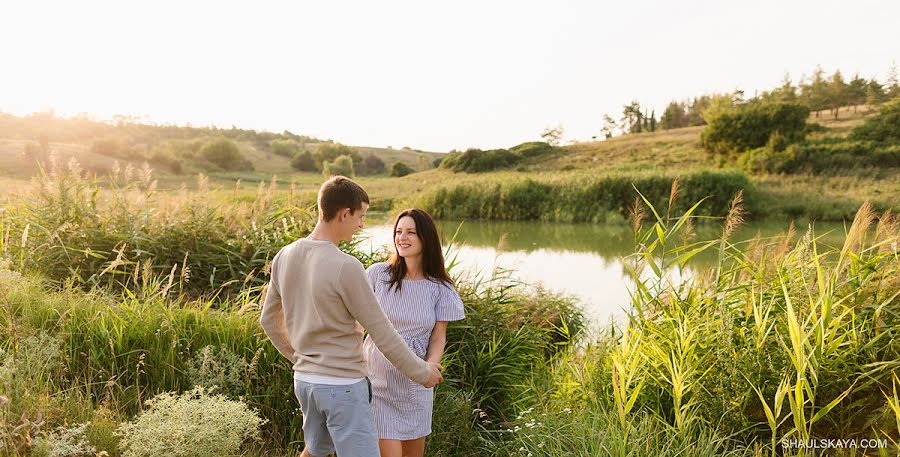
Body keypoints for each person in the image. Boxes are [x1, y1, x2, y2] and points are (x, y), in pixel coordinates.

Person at [259, 176, 443, 457]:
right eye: (361, 216)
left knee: (316, 451)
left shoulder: (285, 255)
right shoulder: (347, 266)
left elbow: (269, 322)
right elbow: (381, 332)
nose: (362, 224)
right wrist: (422, 373)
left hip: (305, 383)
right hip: (343, 387)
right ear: (344, 214)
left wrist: (299, 358)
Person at [364, 208, 465, 457]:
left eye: (410, 232)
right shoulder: (377, 275)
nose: (402, 238)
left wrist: (430, 367)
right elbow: (355, 323)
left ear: (426, 238)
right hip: (377, 382)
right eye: (398, 232)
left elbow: (438, 337)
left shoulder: (440, 288)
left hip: (415, 383)